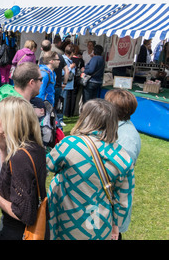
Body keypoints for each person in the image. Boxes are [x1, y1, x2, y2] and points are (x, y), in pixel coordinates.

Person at [47, 99, 135, 240]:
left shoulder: (70, 145)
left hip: (65, 218)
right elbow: (124, 198)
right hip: (99, 222)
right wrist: (116, 224)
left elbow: (48, 165)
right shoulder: (123, 156)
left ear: (85, 118)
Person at [0, 96, 48, 240]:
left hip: (18, 232)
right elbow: (9, 181)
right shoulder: (35, 147)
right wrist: (3, 149)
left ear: (10, 121)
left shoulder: (21, 157)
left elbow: (24, 214)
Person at [0, 62, 43, 179]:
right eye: (40, 79)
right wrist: (31, 113)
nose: (42, 82)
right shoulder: (18, 111)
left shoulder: (1, 95)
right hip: (11, 171)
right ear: (32, 82)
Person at [104, 89, 141, 239]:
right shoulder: (114, 127)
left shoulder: (127, 138)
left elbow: (119, 179)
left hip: (112, 209)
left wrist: (115, 223)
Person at [61, 44, 77, 118]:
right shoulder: (64, 60)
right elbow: (62, 72)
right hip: (65, 84)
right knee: (62, 103)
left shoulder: (67, 60)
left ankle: (61, 118)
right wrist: (70, 68)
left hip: (67, 84)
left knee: (64, 102)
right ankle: (60, 119)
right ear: (72, 52)